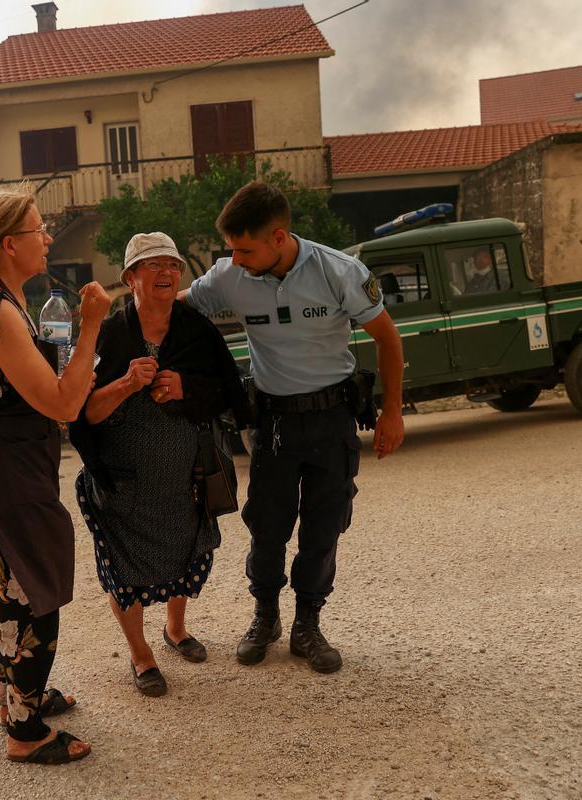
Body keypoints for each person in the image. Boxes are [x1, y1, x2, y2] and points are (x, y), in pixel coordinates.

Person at [180, 180, 406, 674]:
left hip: (332, 419)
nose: (235, 259)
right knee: (267, 527)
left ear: (278, 237)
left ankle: (308, 623)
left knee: (324, 528)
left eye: (245, 248)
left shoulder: (340, 272)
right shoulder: (228, 276)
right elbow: (174, 307)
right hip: (274, 422)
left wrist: (392, 412)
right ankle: (266, 617)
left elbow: (389, 341)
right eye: (231, 250)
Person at [0, 188, 110, 765]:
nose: (47, 238)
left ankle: (17, 696)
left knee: (16, 591)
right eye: (39, 230)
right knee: (37, 594)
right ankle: (25, 731)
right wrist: (90, 326)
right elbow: (64, 404)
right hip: (1, 468)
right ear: (10, 245)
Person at [69, 232, 247, 698]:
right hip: (123, 484)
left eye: (172, 264)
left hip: (182, 477)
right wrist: (128, 384)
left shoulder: (196, 329)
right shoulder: (109, 334)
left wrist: (187, 388)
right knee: (124, 569)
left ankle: (176, 628)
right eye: (153, 265)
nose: (167, 272)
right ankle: (141, 654)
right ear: (130, 279)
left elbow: (230, 393)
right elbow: (82, 412)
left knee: (184, 550)